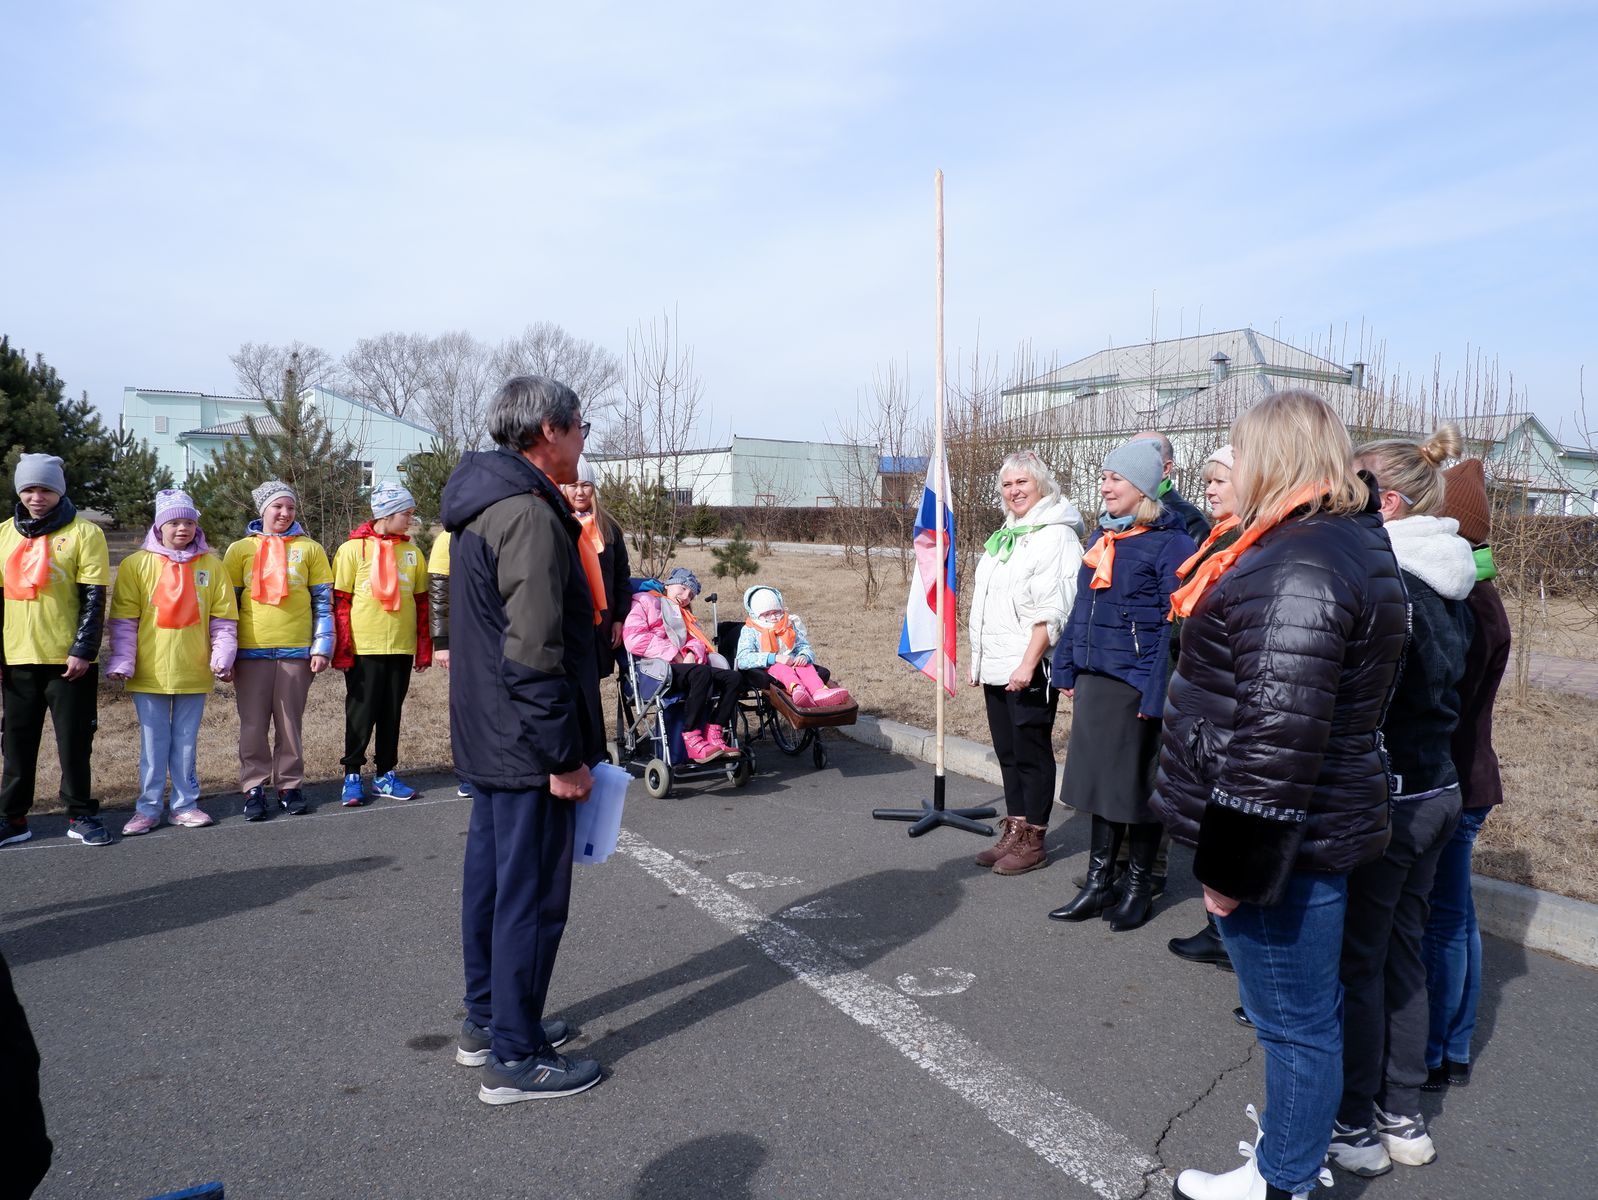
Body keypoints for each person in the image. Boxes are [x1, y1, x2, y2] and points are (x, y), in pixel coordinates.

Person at [1152, 390, 1408, 1200]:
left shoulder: (1298, 559)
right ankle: (1288, 1163)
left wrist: (1231, 869)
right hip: (1319, 820)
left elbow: (1277, 737)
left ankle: (1281, 1179)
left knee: (1294, 1026)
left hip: (1287, 841)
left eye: (1244, 447)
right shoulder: (1339, 540)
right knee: (1309, 1018)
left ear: (1274, 455)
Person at [442, 374, 605, 1103]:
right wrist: (563, 757)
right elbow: (534, 652)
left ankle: (489, 1020)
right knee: (532, 896)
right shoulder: (529, 515)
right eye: (580, 428)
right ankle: (516, 1054)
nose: (582, 442)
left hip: (491, 733)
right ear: (549, 430)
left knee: (493, 883)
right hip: (527, 742)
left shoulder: (486, 502)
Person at [1328, 427, 1475, 1179]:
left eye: (1350, 487)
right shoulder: (1454, 575)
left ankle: (1356, 1121)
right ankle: (1404, 1114)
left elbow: (1368, 699)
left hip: (1393, 797)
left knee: (1361, 962)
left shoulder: (1394, 584)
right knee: (1404, 952)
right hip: (1438, 788)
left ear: (1384, 502)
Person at [1049, 439, 1194, 929]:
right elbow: (1082, 607)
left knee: (1135, 790)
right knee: (1101, 789)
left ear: (1143, 487)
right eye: (1104, 478)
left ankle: (1138, 887)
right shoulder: (1103, 535)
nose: (1105, 486)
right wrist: (1066, 664)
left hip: (1136, 686)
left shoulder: (1171, 542)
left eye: (1116, 479)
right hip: (1097, 682)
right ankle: (1098, 884)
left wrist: (1157, 692)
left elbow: (1173, 628)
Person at [1421, 458, 1511, 1093]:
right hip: (1471, 775)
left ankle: (1436, 1047)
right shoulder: (1483, 592)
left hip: (1455, 776)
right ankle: (1453, 1043)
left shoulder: (1466, 602)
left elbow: (1446, 700)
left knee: (1444, 919)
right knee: (1457, 915)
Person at [965, 450, 1082, 875]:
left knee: (1031, 752)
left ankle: (1035, 839)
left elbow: (1055, 609)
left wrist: (1028, 663)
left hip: (1029, 666)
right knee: (1007, 751)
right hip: (998, 662)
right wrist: (979, 661)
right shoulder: (1009, 532)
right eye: (1007, 484)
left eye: (1022, 483)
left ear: (1042, 485)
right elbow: (989, 602)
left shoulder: (1056, 536)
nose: (1014, 491)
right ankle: (1014, 829)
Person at [105, 489, 238, 834]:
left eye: (189, 522)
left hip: (192, 670)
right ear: (159, 526)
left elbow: (223, 620)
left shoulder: (212, 566)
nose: (182, 529)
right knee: (153, 745)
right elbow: (124, 621)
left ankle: (185, 805)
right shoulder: (136, 565)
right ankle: (147, 808)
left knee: (185, 744)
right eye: (174, 522)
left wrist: (222, 657)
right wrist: (122, 660)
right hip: (150, 672)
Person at [0, 454, 111, 847]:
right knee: (16, 744)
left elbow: (93, 598)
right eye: (29, 489)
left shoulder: (85, 533)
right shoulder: (4, 534)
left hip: (68, 661)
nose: (36, 497)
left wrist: (83, 648)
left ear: (59, 491)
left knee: (75, 742)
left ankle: (81, 814)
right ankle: (13, 818)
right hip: (17, 657)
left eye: (45, 489)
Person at [1166, 445, 1242, 970]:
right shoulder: (1218, 538)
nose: (1209, 490)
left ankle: (1228, 932)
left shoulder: (1243, 542)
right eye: (1208, 481)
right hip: (1202, 694)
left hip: (1222, 702)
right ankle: (1220, 928)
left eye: (1220, 481)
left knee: (1226, 818)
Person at [223, 481, 334, 820]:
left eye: (290, 507)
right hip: (251, 653)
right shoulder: (239, 550)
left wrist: (322, 646)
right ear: (263, 510)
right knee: (253, 725)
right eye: (277, 506)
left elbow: (323, 602)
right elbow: (226, 607)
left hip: (295, 652)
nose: (285, 513)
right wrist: (226, 652)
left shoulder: (310, 549)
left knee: (289, 725)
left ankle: (289, 785)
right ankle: (254, 787)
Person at [332, 481, 431, 806]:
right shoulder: (352, 550)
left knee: (391, 713)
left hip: (400, 647)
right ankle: (352, 775)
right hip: (365, 647)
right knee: (361, 714)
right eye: (406, 513)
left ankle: (385, 774)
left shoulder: (412, 553)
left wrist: (423, 648)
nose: (411, 520)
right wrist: (343, 650)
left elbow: (422, 603)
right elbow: (341, 602)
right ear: (387, 514)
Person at [623, 567, 743, 763]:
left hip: (686, 669)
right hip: (655, 670)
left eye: (691, 595)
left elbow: (697, 641)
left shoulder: (684, 614)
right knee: (701, 673)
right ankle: (692, 738)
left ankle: (714, 733)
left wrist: (691, 653)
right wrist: (676, 654)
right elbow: (634, 639)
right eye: (683, 588)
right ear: (669, 584)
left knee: (734, 678)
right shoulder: (644, 601)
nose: (686, 597)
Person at [560, 456, 630, 679]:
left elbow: (621, 577)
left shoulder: (609, 528)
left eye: (586, 485)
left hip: (602, 622)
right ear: (564, 488)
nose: (580, 492)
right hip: (567, 622)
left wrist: (619, 618)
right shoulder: (555, 523)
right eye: (573, 485)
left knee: (593, 680)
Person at [736, 583, 852, 708]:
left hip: (793, 662)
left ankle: (820, 692)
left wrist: (804, 656)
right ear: (757, 614)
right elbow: (742, 659)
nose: (774, 617)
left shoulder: (788, 624)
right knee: (782, 668)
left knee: (805, 666)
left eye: (777, 612)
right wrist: (774, 658)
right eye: (767, 614)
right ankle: (798, 690)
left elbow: (804, 645)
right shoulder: (750, 630)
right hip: (769, 666)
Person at [425, 528, 471, 799]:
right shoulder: (447, 538)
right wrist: (442, 643)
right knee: (467, 706)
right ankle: (468, 774)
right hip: (462, 635)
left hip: (497, 635)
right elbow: (438, 594)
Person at [1132, 429, 1212, 543]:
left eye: (1140, 459)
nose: (1129, 467)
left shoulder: (1189, 520)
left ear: (1165, 469)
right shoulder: (1118, 511)